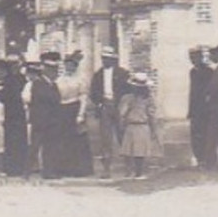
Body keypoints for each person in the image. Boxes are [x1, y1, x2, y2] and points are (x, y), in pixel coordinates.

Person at [88, 45, 129, 176]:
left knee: (122, 136)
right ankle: (107, 169)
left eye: (108, 58)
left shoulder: (122, 73)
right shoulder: (98, 75)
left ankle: (129, 167)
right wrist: (99, 103)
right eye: (103, 58)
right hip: (104, 107)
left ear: (113, 59)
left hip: (119, 107)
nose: (105, 61)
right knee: (105, 138)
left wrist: (123, 105)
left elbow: (128, 90)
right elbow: (92, 92)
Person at [56, 50, 93, 176]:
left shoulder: (80, 79)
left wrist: (81, 114)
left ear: (75, 66)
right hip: (62, 110)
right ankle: (65, 168)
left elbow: (83, 97)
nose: (69, 67)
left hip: (75, 108)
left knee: (77, 140)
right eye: (67, 65)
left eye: (72, 65)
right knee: (63, 140)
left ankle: (80, 169)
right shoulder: (59, 79)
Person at [117, 72, 160, 180]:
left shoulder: (148, 99)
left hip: (142, 125)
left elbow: (152, 115)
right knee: (128, 150)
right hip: (131, 125)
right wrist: (121, 124)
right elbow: (122, 113)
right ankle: (129, 171)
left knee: (139, 151)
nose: (137, 90)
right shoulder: (127, 98)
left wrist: (154, 129)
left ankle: (139, 172)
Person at [26, 55, 63, 179]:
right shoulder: (38, 83)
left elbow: (57, 99)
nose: (55, 73)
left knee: (50, 146)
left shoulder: (53, 85)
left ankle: (48, 171)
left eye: (56, 70)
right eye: (53, 70)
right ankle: (26, 171)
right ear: (47, 70)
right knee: (35, 146)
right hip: (40, 120)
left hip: (51, 121)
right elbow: (45, 98)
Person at [0, 56, 29, 177]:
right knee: (10, 139)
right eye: (13, 66)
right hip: (10, 113)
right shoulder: (6, 80)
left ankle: (20, 166)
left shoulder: (22, 79)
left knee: (20, 139)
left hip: (19, 113)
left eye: (16, 65)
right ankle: (11, 167)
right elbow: (3, 96)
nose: (15, 68)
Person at [185, 46, 211, 169]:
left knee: (204, 135)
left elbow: (208, 92)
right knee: (195, 136)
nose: (193, 60)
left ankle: (205, 160)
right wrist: (190, 110)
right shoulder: (193, 72)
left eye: (195, 57)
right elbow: (193, 92)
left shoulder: (208, 71)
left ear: (200, 57)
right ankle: (199, 158)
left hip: (204, 110)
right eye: (191, 57)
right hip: (195, 110)